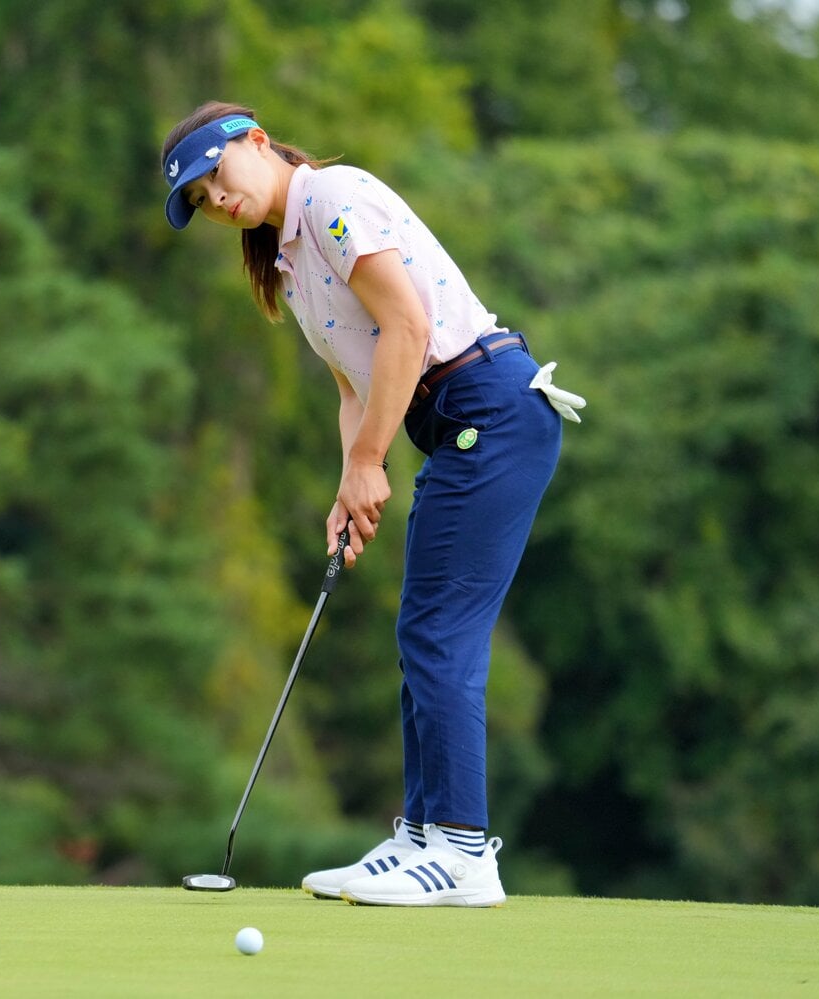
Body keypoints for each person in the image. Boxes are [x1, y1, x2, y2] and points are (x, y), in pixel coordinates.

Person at [160, 101, 583, 907]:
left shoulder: (331, 199)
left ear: (257, 142)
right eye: (201, 200)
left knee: (440, 631)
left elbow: (407, 328)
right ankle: (421, 837)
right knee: (422, 631)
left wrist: (368, 463)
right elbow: (352, 386)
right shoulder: (289, 260)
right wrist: (350, 484)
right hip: (456, 423)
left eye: (216, 176)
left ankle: (463, 852)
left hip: (490, 408)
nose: (217, 199)